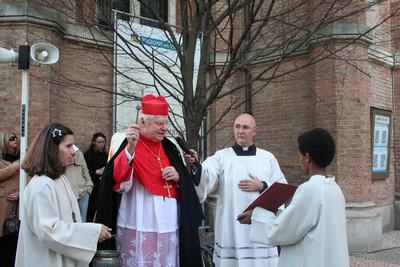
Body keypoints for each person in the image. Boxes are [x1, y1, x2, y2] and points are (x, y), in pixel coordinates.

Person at [95, 94, 204, 267]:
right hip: (139, 215)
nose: (164, 128)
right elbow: (118, 182)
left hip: (169, 220)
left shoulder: (170, 146)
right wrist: (130, 148)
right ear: (142, 123)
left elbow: (185, 181)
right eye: (159, 124)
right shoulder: (127, 142)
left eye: (166, 123)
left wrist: (178, 176)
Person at [237, 128, 350, 267]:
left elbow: (283, 230)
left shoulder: (311, 189)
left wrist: (255, 215)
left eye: (300, 155)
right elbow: (301, 219)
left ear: (307, 157)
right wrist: (274, 213)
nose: (300, 160)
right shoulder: (335, 189)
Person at [185, 113, 286, 267]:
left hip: (259, 227)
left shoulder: (268, 158)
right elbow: (206, 177)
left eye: (245, 127)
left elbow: (281, 189)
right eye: (237, 127)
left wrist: (262, 186)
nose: (240, 131)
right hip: (230, 225)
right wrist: (196, 165)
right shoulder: (221, 157)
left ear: (255, 131)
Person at [15, 123, 112, 267]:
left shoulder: (60, 179)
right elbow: (49, 231)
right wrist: (92, 232)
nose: (73, 151)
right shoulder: (40, 187)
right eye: (68, 146)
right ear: (52, 150)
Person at [0, 131, 20, 267]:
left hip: (18, 205)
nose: (15, 140)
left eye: (16, 138)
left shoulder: (22, 159)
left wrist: (21, 193)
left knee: (16, 239)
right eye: (12, 138)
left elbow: (30, 181)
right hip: (3, 204)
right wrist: (14, 167)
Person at [84, 132, 108, 222]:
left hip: (103, 186)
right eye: (99, 142)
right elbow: (84, 172)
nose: (101, 144)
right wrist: (95, 172)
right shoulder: (88, 155)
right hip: (92, 187)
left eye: (103, 142)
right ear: (94, 142)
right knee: (91, 211)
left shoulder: (107, 155)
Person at [65, 149, 93, 222]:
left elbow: (85, 170)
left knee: (82, 222)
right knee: (71, 222)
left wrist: (89, 186)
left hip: (84, 191)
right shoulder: (60, 154)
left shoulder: (79, 153)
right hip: (69, 193)